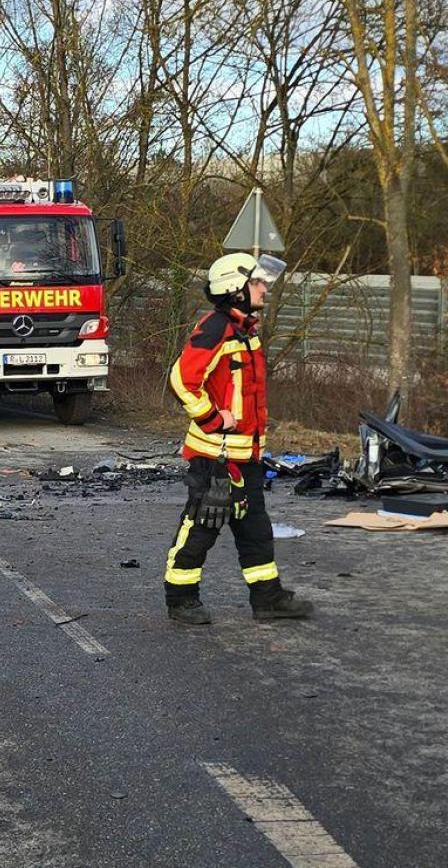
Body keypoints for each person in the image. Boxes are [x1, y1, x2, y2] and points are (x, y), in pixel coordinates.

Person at [161, 251, 313, 625]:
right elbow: (182, 380)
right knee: (202, 527)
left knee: (255, 529)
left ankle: (268, 598)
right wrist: (213, 418)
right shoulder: (216, 329)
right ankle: (180, 599)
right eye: (257, 282)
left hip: (247, 456)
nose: (263, 289)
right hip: (215, 457)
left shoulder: (246, 331)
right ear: (235, 288)